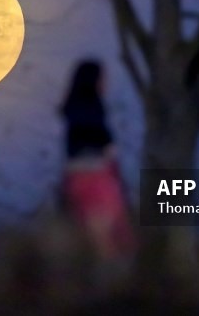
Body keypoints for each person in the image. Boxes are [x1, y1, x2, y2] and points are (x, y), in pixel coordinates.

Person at [59, 60, 136, 258]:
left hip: (78, 174)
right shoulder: (91, 107)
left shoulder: (74, 108)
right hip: (96, 173)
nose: (105, 83)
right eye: (102, 78)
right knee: (106, 236)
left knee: (92, 230)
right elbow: (100, 140)